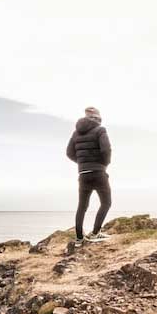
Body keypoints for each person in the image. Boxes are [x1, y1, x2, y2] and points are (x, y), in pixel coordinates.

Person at [66, 106, 112, 247]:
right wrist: (104, 164)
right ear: (98, 118)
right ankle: (95, 233)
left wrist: (82, 164)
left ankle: (79, 239)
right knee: (106, 202)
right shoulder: (100, 130)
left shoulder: (76, 133)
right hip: (99, 172)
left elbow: (69, 153)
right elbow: (106, 149)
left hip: (83, 174)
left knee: (82, 206)